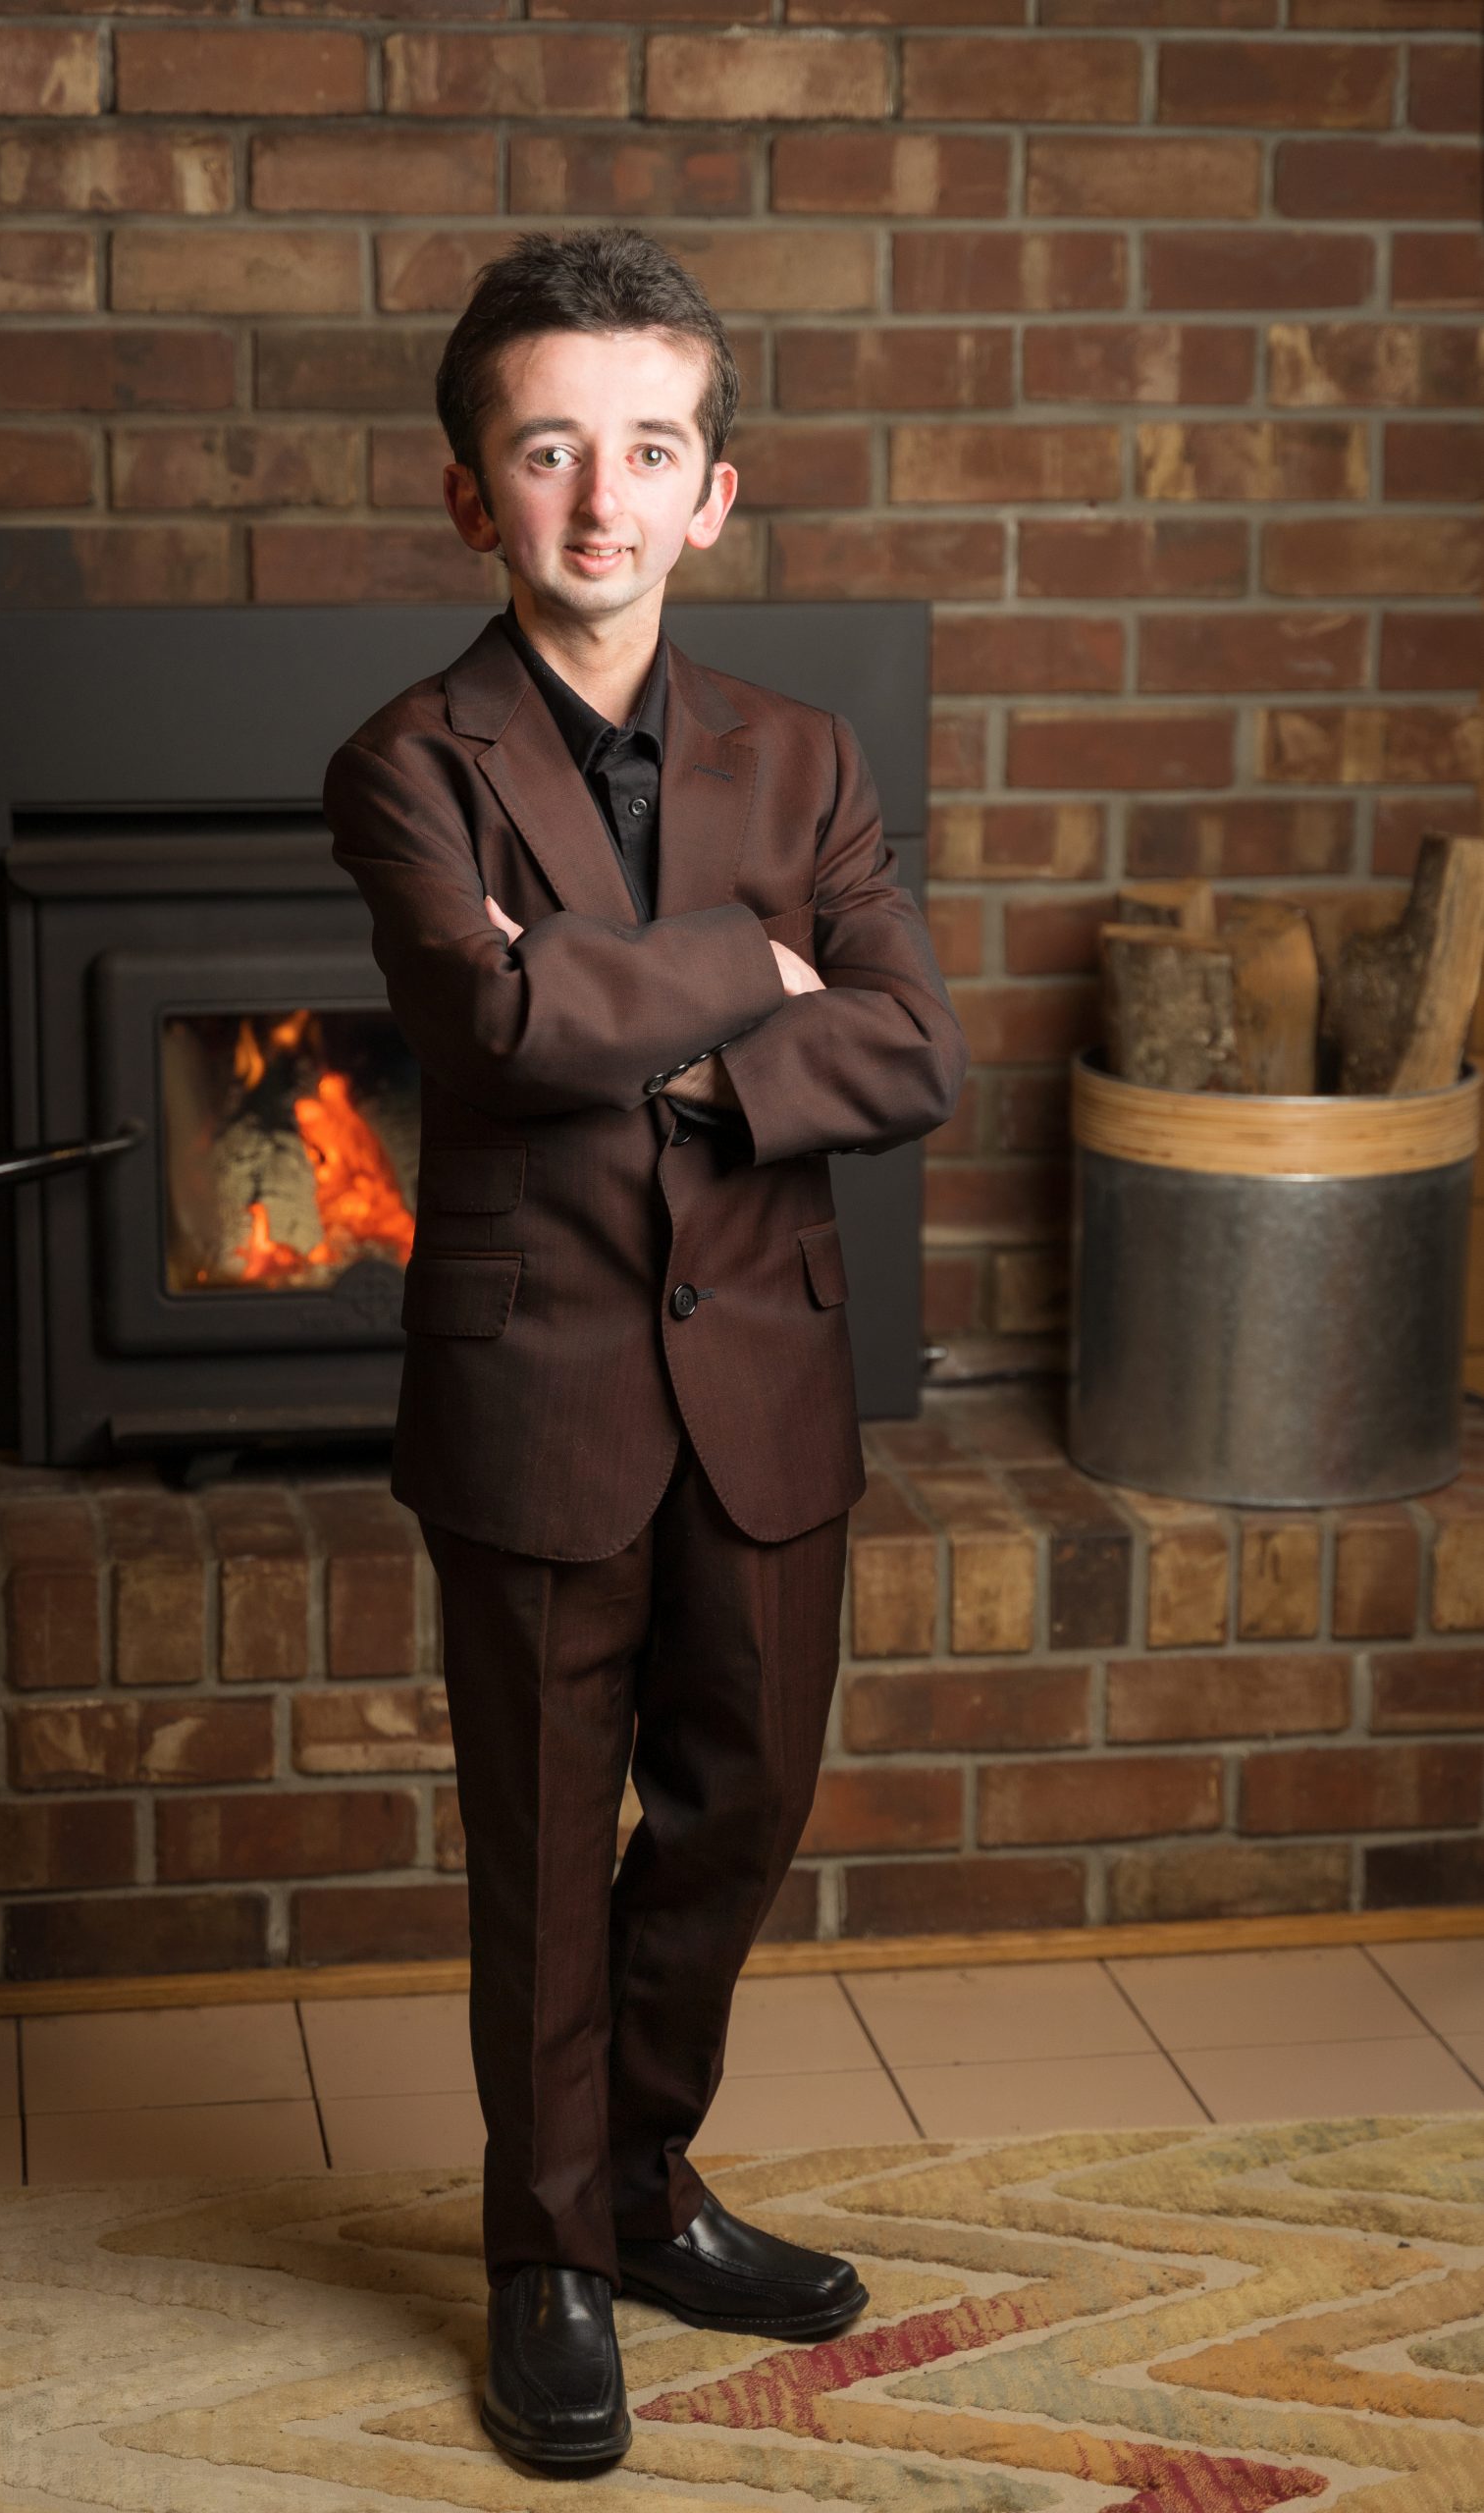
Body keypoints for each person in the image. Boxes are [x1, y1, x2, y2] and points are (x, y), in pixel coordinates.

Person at [321, 224, 967, 2476]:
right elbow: (487, 1015)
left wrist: (678, 1021)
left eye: (648, 451)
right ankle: (547, 2258)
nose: (598, 499)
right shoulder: (403, 762)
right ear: (468, 490)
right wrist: (760, 984)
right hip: (537, 1391)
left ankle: (642, 2175)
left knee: (742, 1801)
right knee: (532, 1843)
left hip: (764, 1378)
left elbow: (912, 1054)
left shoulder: (806, 753)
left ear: (713, 490)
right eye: (546, 451)